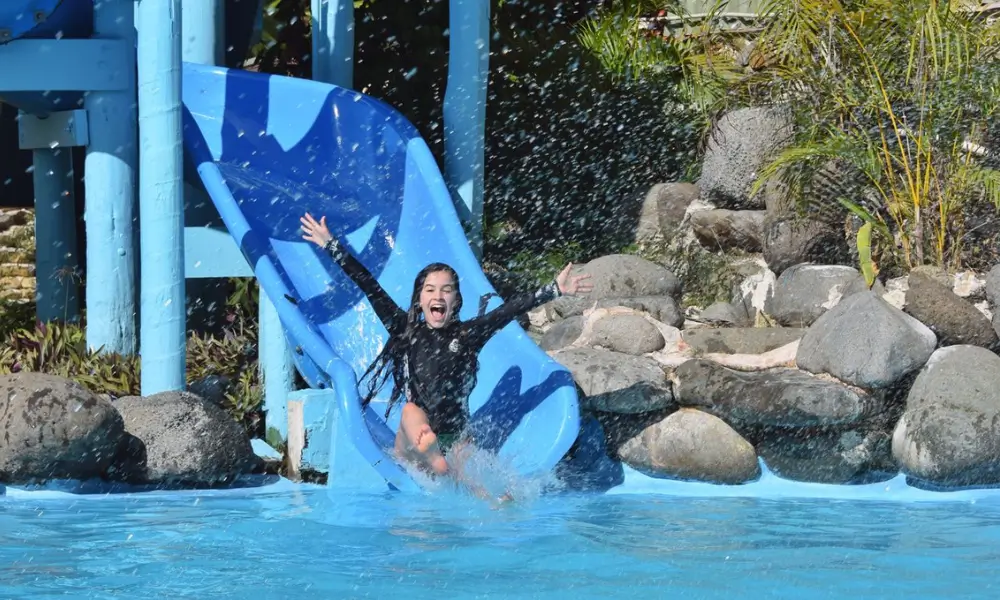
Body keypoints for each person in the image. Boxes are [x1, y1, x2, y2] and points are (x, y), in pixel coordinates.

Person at [300, 212, 593, 498]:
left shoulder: (467, 336)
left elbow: (507, 311)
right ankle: (436, 460)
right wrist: (332, 245)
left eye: (446, 290)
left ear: (456, 300)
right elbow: (368, 284)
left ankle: (485, 493)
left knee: (472, 473)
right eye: (430, 290)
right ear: (419, 298)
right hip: (413, 441)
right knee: (410, 412)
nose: (437, 296)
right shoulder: (404, 329)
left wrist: (553, 289)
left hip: (456, 438)